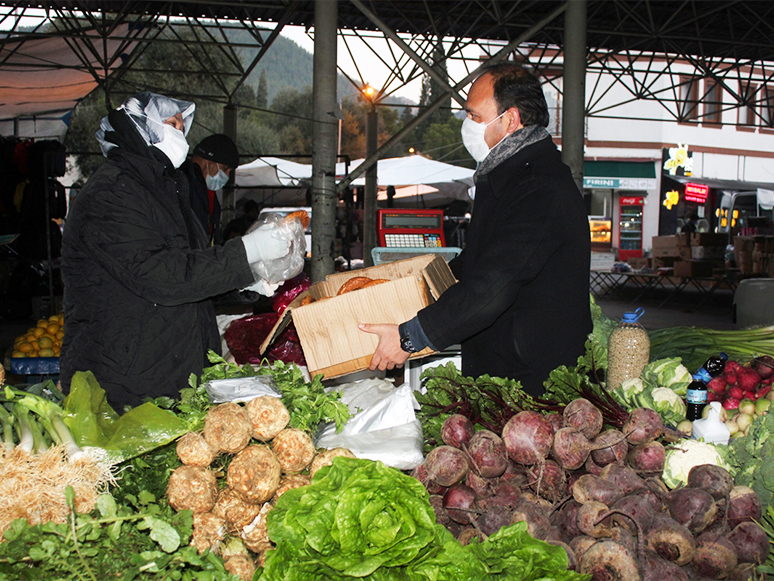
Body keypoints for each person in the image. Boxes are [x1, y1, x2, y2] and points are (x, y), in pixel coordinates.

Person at [360, 63, 593, 397]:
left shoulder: (541, 188)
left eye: (474, 116)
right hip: (506, 370)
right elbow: (480, 259)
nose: (466, 126)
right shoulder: (511, 177)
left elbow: (493, 285)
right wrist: (414, 283)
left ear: (510, 120)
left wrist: (410, 337)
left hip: (534, 384)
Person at [60, 92, 295, 410]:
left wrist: (246, 276)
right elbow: (162, 278)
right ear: (142, 126)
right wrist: (246, 250)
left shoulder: (166, 190)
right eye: (171, 124)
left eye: (183, 126)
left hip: (165, 370)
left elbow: (190, 267)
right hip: (124, 382)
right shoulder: (112, 192)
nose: (179, 134)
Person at [182, 133, 239, 246]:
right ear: (208, 161)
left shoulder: (208, 193)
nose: (227, 175)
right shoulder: (183, 185)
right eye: (225, 168)